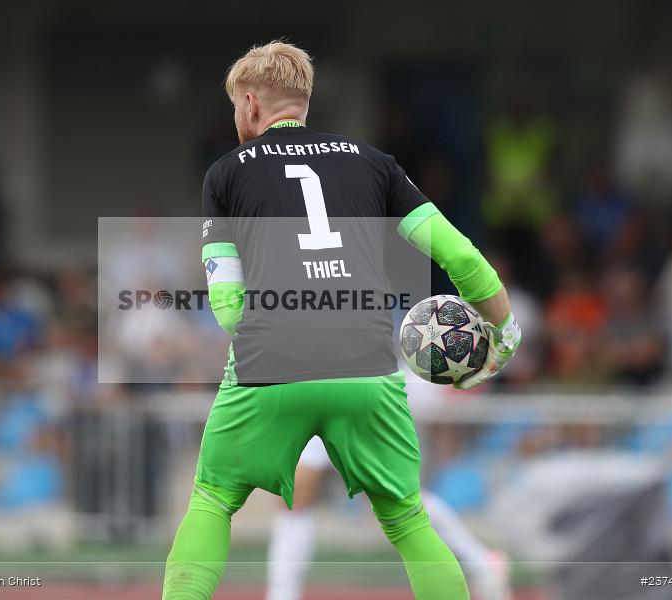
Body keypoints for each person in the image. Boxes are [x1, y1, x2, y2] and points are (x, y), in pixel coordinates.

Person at [161, 41, 521, 600]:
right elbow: (461, 257)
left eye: (235, 107)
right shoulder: (374, 163)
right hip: (366, 365)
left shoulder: (225, 174)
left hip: (269, 366)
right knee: (408, 520)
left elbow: (228, 307)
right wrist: (506, 331)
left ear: (251, 104)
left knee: (212, 500)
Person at [266, 436, 511, 600]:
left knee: (392, 496)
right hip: (306, 386)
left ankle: (481, 560)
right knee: (295, 495)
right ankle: (282, 594)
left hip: (352, 386)